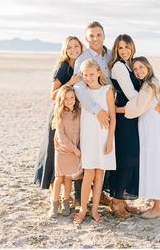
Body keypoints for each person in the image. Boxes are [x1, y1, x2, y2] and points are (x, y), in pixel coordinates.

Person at [122, 56, 160, 218]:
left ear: (148, 67)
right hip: (149, 124)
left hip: (152, 126)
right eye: (135, 69)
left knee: (155, 161)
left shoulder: (150, 84)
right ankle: (156, 205)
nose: (138, 71)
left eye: (141, 67)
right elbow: (159, 104)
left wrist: (115, 109)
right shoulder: (149, 83)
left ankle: (158, 207)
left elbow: (138, 107)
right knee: (153, 161)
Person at [33, 36, 83, 204]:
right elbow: (53, 95)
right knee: (56, 153)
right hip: (60, 115)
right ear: (65, 49)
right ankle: (55, 197)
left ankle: (71, 197)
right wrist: (70, 82)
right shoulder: (62, 67)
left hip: (74, 116)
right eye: (70, 47)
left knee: (73, 152)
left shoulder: (80, 64)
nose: (74, 49)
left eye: (77, 46)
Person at [73, 21, 112, 205]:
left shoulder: (110, 55)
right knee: (88, 160)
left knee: (104, 156)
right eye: (91, 36)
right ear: (87, 39)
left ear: (104, 35)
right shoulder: (83, 59)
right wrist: (97, 111)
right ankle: (82, 201)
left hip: (111, 107)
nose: (95, 39)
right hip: (93, 113)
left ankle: (103, 196)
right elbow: (79, 88)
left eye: (98, 35)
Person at [74, 59, 116, 223]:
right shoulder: (82, 93)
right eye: (85, 75)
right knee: (88, 174)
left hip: (104, 137)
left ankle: (95, 210)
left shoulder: (107, 90)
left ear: (99, 72)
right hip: (88, 138)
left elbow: (112, 118)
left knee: (100, 174)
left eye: (92, 74)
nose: (89, 77)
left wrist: (110, 140)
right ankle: (83, 208)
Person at [108, 34, 141, 218]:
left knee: (131, 158)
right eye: (120, 48)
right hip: (124, 119)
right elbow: (131, 94)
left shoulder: (130, 64)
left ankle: (122, 199)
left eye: (127, 47)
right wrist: (149, 101)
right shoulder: (119, 67)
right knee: (125, 158)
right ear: (116, 50)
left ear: (132, 47)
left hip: (131, 116)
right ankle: (116, 201)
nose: (124, 51)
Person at [49, 86, 83, 218]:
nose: (69, 100)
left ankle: (66, 203)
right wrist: (74, 149)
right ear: (62, 100)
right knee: (59, 178)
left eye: (72, 98)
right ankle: (54, 204)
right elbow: (61, 136)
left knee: (69, 177)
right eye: (66, 98)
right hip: (63, 150)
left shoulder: (78, 112)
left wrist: (77, 148)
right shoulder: (59, 114)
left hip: (74, 150)